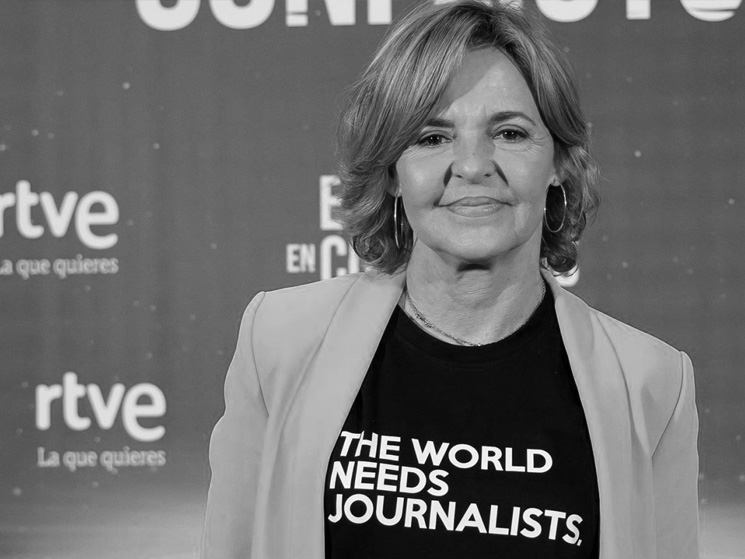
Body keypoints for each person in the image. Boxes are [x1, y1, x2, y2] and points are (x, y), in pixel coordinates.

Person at [201, 1, 699, 558]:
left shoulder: (651, 383)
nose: (472, 165)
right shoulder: (280, 340)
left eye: (509, 132)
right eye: (432, 138)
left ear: (560, 162)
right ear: (391, 171)